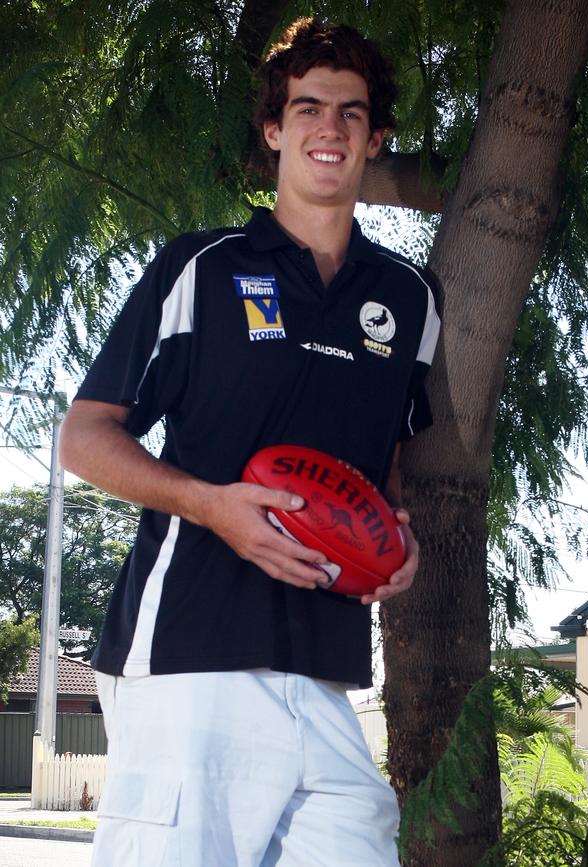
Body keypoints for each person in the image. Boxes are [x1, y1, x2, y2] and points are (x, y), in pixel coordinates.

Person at [60, 17, 440, 867]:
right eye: (307, 108)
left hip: (325, 666)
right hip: (189, 656)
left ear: (376, 137)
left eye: (351, 112)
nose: (329, 128)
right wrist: (212, 507)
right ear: (275, 131)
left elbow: (383, 463)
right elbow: (84, 437)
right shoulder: (203, 267)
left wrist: (392, 539)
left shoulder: (410, 299)